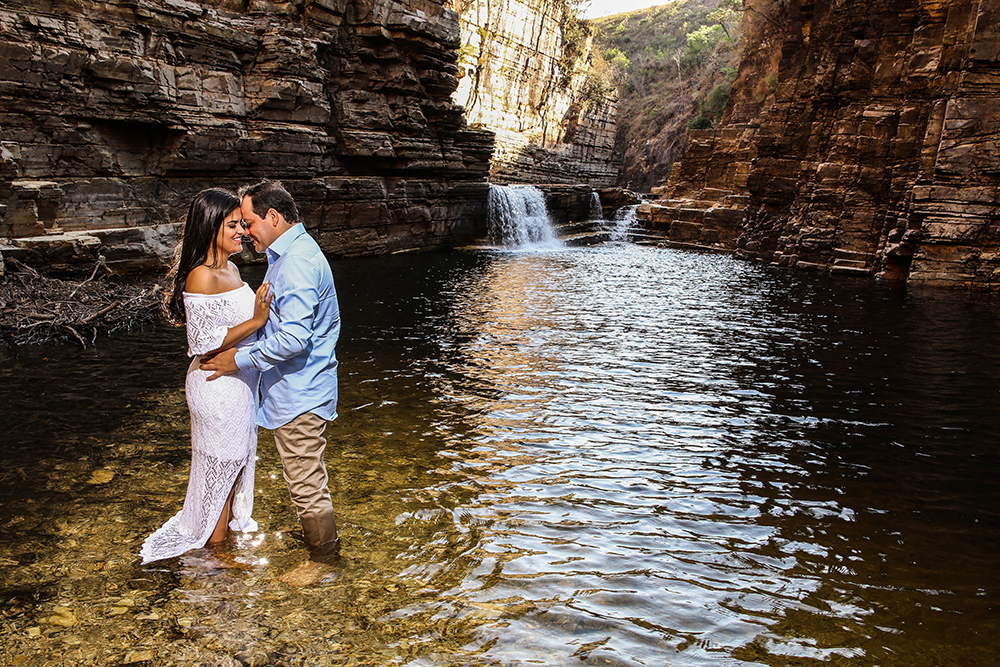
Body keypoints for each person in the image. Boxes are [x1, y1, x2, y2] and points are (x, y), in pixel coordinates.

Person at [200, 180, 342, 586]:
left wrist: (236, 360)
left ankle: (325, 560)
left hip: (301, 390)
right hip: (298, 387)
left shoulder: (296, 262)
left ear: (274, 217)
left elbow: (294, 338)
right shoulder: (291, 254)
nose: (246, 232)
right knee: (304, 476)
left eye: (249, 222)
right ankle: (321, 541)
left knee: (305, 480)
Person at [140, 188, 272, 564]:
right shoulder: (201, 276)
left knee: (233, 468)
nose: (242, 231)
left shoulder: (231, 269)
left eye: (243, 224)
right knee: (223, 469)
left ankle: (218, 550)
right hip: (216, 387)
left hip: (238, 385)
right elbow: (202, 343)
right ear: (210, 227)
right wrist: (257, 320)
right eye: (233, 225)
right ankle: (214, 560)